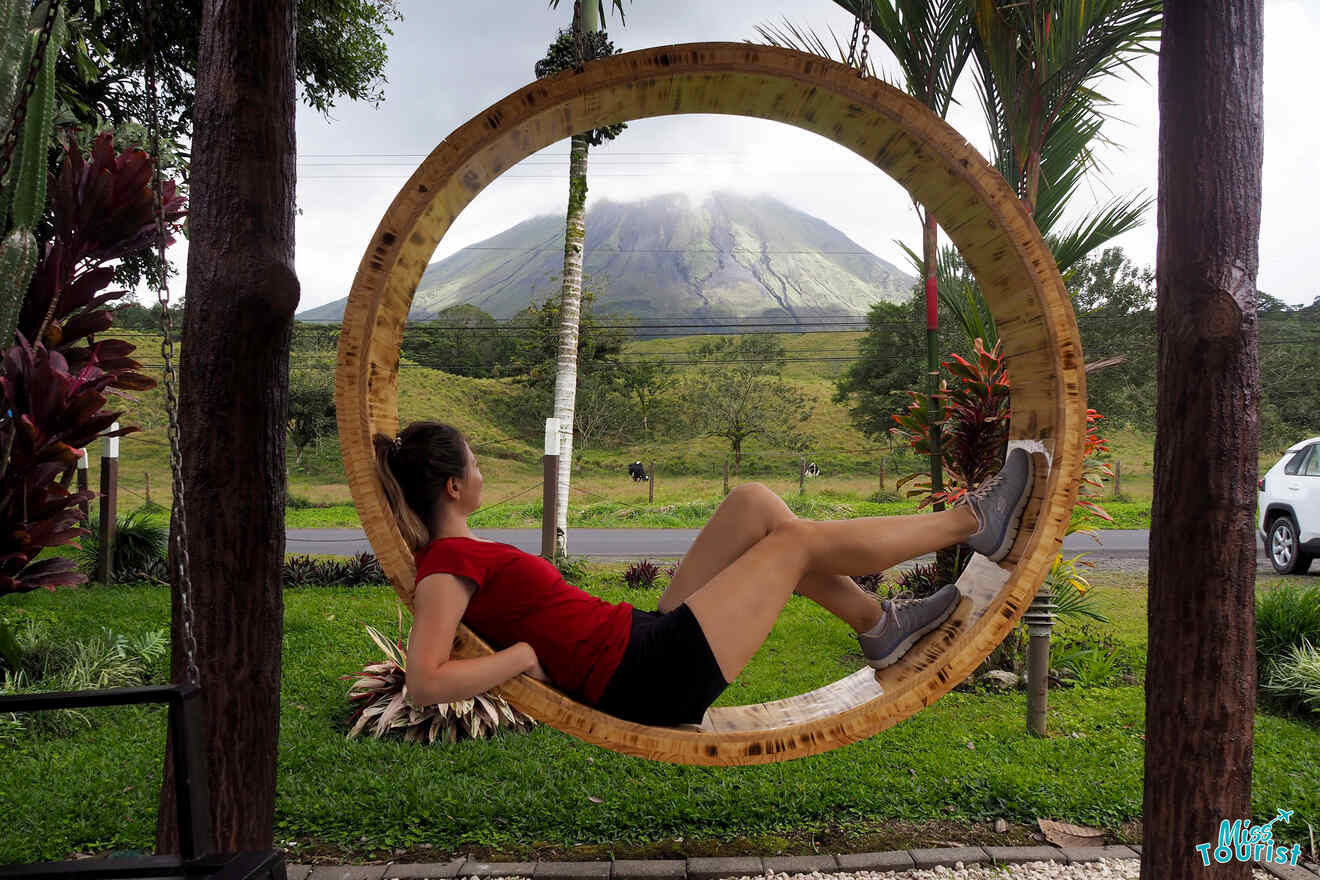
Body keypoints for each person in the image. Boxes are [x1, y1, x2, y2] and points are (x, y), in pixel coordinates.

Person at [375, 421, 1033, 728]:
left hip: (639, 643)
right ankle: (971, 523)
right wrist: (521, 657)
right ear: (457, 487)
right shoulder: (447, 565)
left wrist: (532, 651)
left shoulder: (459, 556)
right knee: (795, 542)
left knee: (753, 506)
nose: (486, 474)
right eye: (479, 464)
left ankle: (877, 624)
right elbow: (426, 682)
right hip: (646, 675)